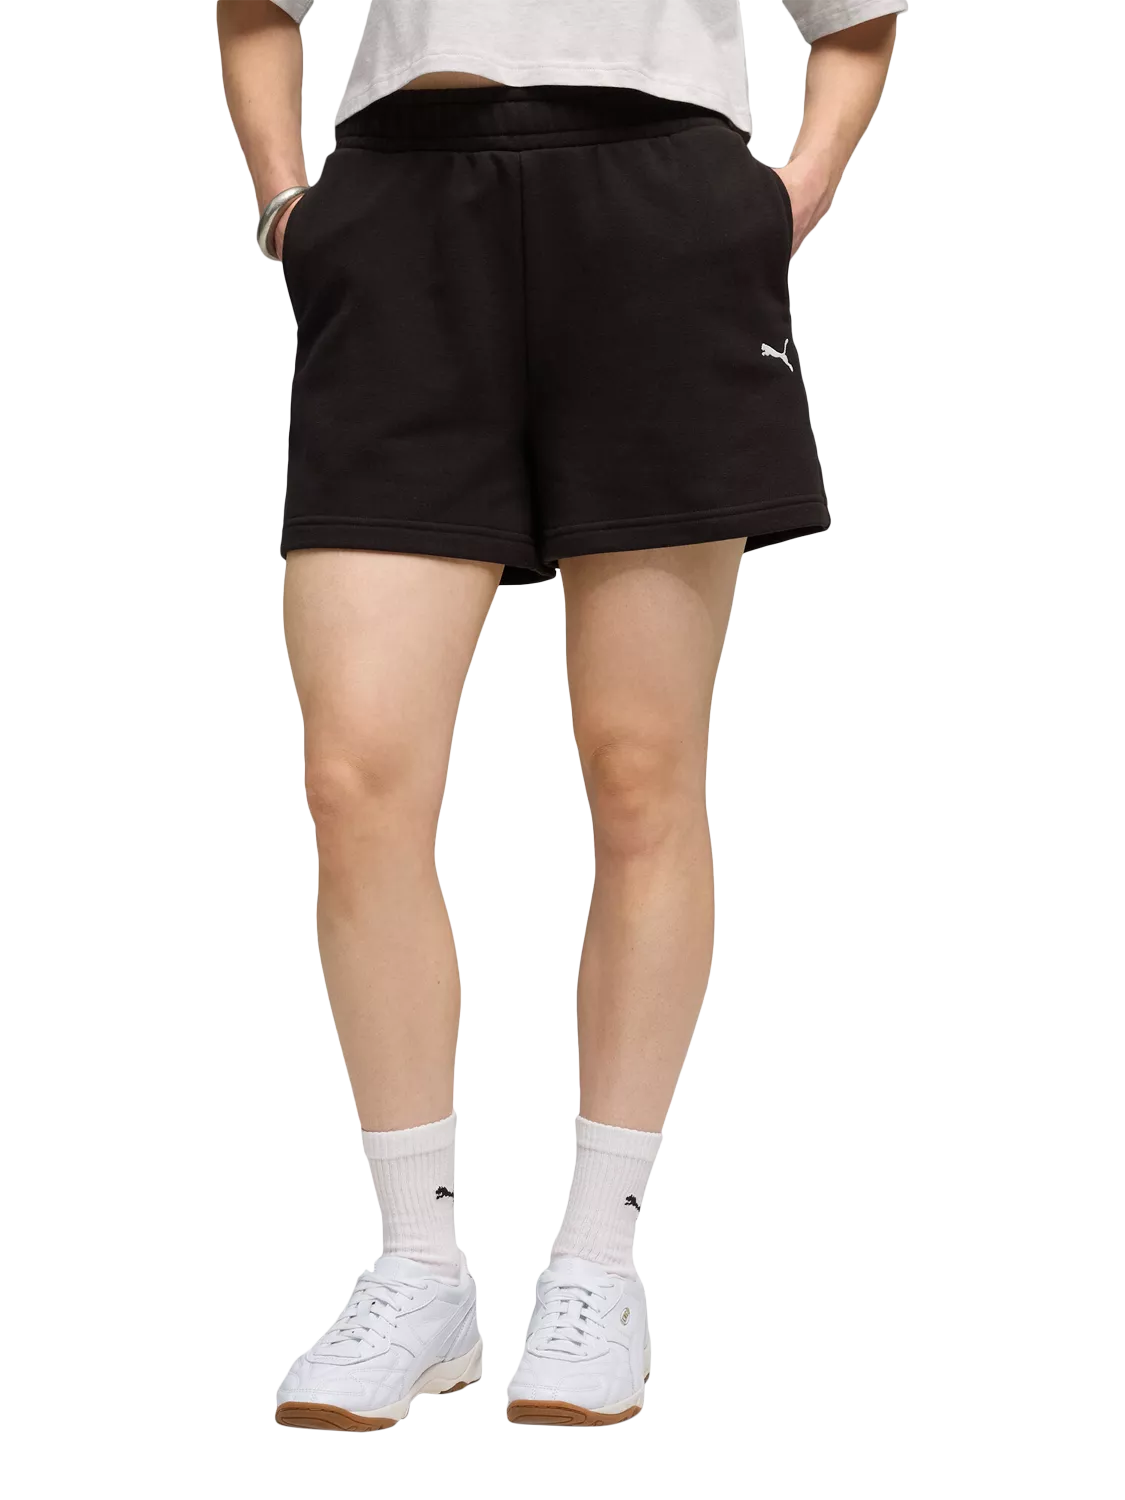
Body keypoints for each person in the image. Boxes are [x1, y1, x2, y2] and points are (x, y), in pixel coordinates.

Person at [217, 0, 904, 1431]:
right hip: (403, 216)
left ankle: (599, 1260)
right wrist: (286, 201)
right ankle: (419, 1268)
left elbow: (856, 20)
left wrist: (790, 196)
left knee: (641, 766)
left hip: (661, 216)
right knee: (356, 777)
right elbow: (257, 8)